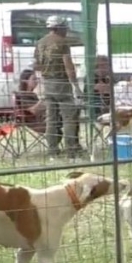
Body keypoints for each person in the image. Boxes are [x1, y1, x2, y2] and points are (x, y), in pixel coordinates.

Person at [33, 15, 83, 159]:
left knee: (51, 118)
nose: (66, 30)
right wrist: (75, 86)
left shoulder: (40, 42)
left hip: (47, 82)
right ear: (60, 27)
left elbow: (37, 64)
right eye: (65, 28)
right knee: (69, 117)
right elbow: (68, 65)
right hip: (61, 82)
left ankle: (52, 151)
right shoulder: (62, 42)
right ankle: (71, 150)